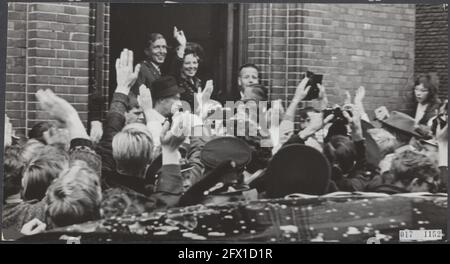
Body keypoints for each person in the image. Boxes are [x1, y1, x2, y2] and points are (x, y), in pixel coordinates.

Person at [97, 49, 187, 218]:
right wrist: (170, 152)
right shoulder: (154, 204)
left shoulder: (103, 181)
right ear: (148, 161)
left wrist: (121, 89)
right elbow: (170, 193)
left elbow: (110, 133)